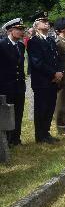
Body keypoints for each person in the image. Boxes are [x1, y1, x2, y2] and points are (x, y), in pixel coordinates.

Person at [27, 12, 63, 143]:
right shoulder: (34, 41)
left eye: (47, 21)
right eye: (43, 21)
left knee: (50, 107)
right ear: (36, 26)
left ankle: (46, 133)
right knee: (41, 108)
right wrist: (54, 73)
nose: (47, 23)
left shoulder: (50, 40)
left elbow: (57, 59)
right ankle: (40, 136)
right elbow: (37, 62)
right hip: (42, 81)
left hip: (53, 80)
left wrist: (60, 72)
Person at [0, 18, 26, 146]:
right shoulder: (2, 45)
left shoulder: (21, 46)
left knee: (19, 113)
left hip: (19, 86)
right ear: (10, 30)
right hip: (6, 86)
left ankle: (16, 138)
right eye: (19, 29)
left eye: (23, 29)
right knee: (7, 114)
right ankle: (7, 140)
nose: (22, 32)